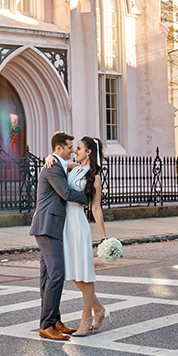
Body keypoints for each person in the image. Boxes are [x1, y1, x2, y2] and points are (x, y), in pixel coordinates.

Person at [45, 136, 110, 336]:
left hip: (78, 226)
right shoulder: (73, 168)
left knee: (84, 273)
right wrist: (49, 157)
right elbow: (59, 162)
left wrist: (104, 237)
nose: (75, 151)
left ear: (88, 152)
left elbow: (96, 209)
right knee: (71, 272)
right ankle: (98, 308)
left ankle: (87, 316)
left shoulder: (95, 177)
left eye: (79, 148)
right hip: (65, 225)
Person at [29, 131, 88, 341]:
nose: (72, 151)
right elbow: (66, 193)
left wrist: (74, 166)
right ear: (59, 148)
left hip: (49, 226)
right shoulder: (53, 166)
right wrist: (89, 197)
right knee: (57, 273)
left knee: (47, 276)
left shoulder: (56, 163)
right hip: (48, 226)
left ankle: (53, 320)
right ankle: (46, 325)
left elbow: (68, 167)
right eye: (70, 147)